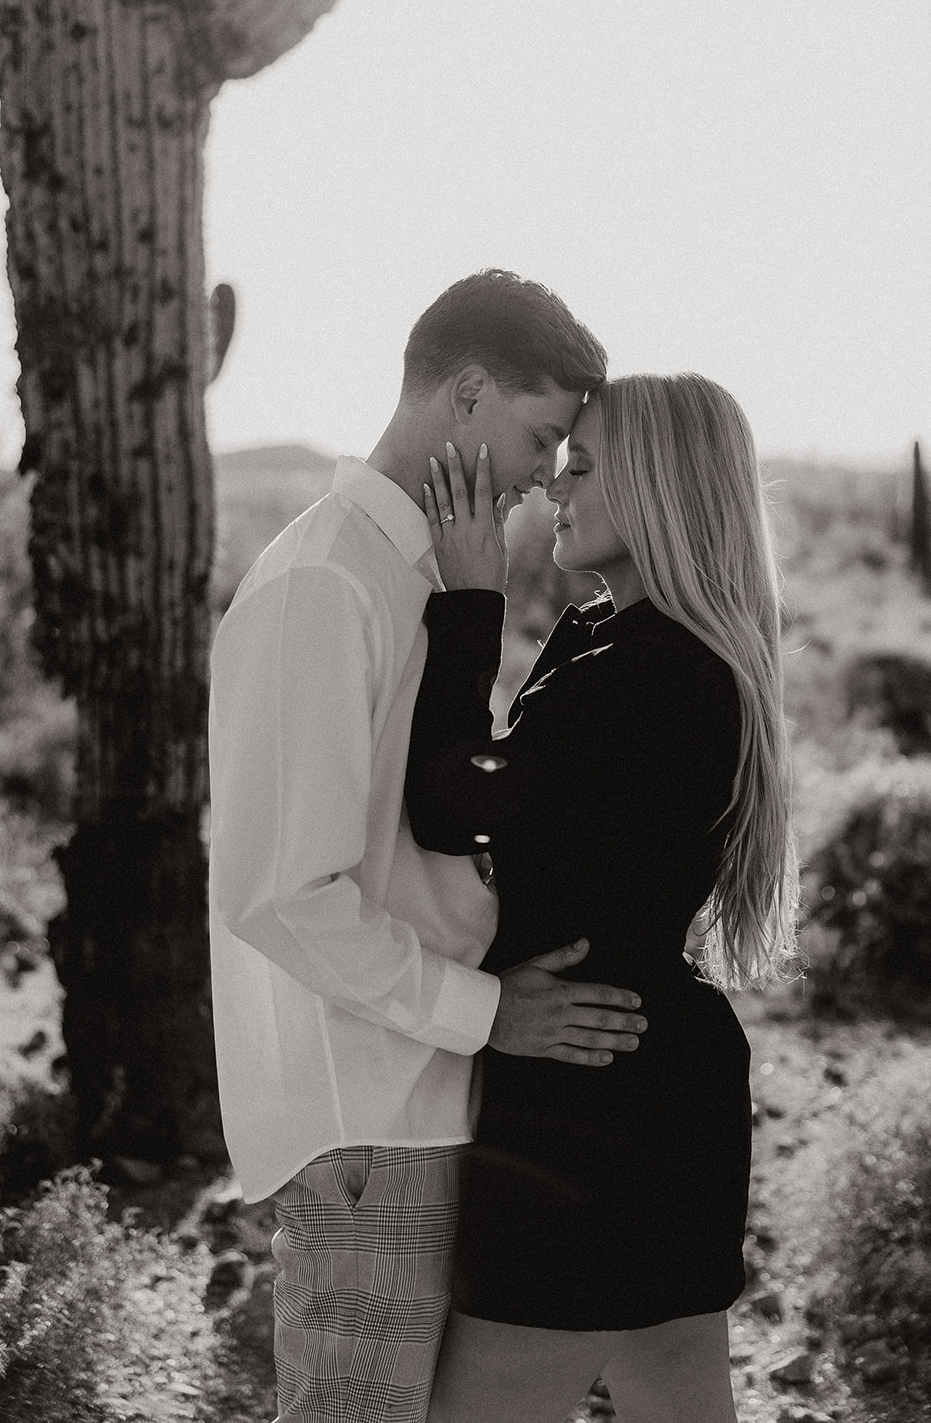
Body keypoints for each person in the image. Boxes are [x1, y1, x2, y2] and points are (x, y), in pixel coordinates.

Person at [207, 270, 650, 1423]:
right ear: (464, 394)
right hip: (371, 1112)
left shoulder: (414, 576)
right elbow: (280, 893)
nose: (548, 473)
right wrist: (487, 1012)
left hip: (421, 1093)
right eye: (541, 433)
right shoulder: (322, 582)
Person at [405, 372, 800, 1423]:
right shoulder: (618, 639)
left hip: (589, 1096)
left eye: (581, 467)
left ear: (663, 488)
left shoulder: (655, 670)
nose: (553, 489)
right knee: (675, 1391)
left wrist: (469, 597)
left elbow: (453, 800)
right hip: (644, 1077)